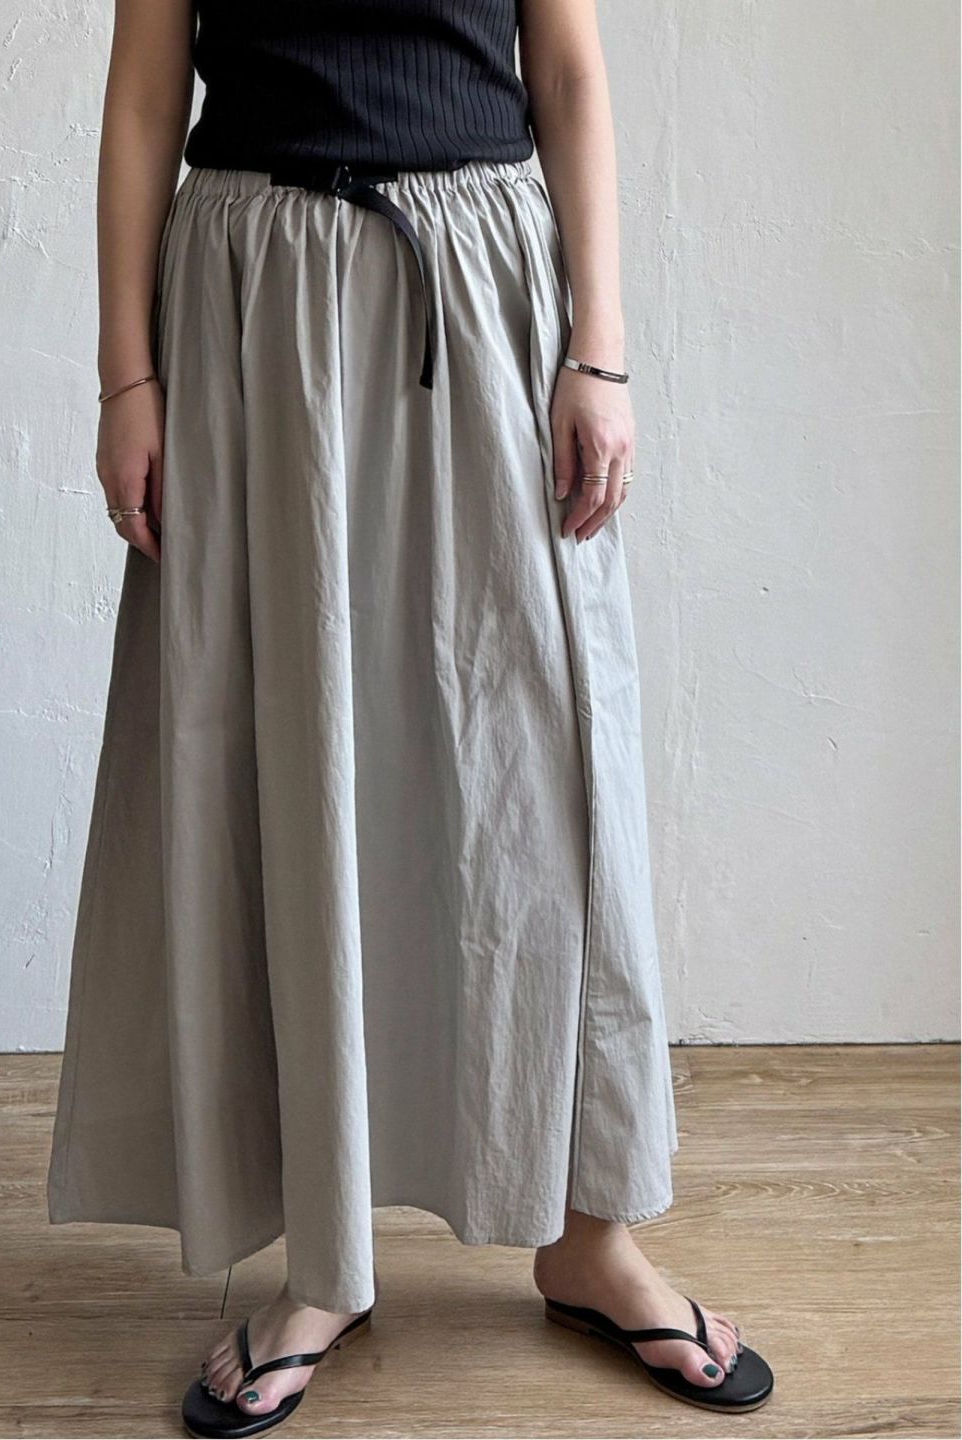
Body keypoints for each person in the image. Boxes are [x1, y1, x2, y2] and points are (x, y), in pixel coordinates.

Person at [46, 1, 775, 1434]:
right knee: (288, 762)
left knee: (542, 765)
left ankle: (589, 1234)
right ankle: (326, 1259)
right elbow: (142, 98)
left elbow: (566, 67)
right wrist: (127, 375)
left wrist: (601, 345)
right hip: (254, 292)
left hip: (484, 281)